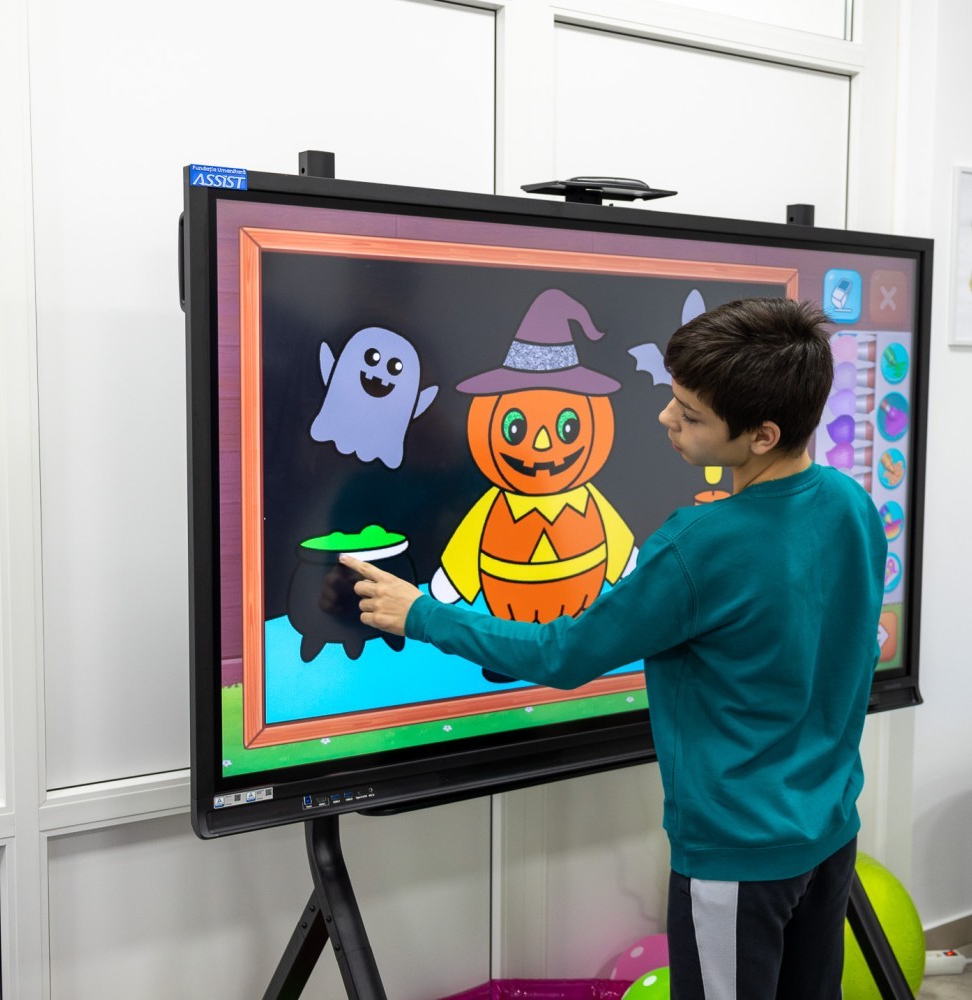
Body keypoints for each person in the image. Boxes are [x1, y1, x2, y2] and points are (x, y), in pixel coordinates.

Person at [342, 297, 888, 1000]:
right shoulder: (848, 502)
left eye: (691, 416)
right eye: (673, 400)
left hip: (738, 855)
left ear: (761, 435)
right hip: (830, 827)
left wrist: (423, 614)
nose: (666, 419)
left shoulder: (697, 547)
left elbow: (563, 653)